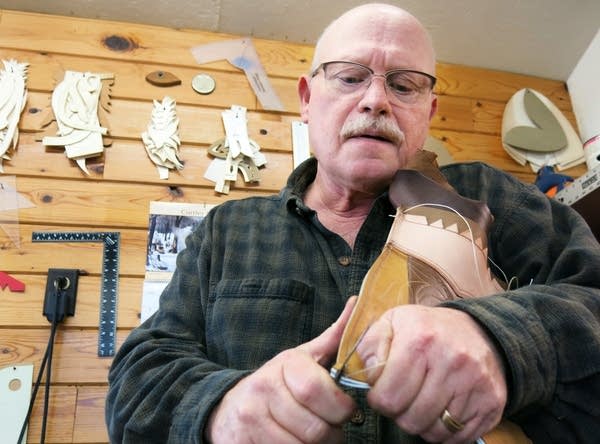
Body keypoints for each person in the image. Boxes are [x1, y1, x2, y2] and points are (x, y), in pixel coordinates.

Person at [105, 3, 600, 443]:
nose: (376, 100)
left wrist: (500, 339)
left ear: (427, 113)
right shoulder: (227, 230)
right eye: (349, 77)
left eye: (403, 84)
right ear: (306, 98)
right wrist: (220, 410)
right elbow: (138, 380)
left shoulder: (489, 197)